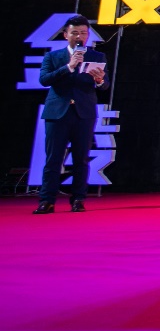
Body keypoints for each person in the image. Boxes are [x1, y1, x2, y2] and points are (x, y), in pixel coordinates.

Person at [35, 14, 108, 214]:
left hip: (84, 113)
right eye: (75, 32)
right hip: (57, 113)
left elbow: (105, 85)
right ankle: (47, 200)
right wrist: (69, 67)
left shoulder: (97, 56)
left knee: (81, 159)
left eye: (83, 33)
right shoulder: (53, 57)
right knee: (53, 159)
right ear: (66, 35)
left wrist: (100, 80)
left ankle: (78, 199)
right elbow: (44, 80)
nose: (79, 37)